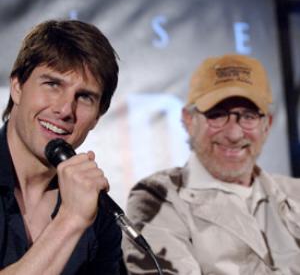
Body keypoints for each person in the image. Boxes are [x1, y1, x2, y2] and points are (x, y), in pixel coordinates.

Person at [122, 54, 300, 274]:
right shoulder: (158, 197)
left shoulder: (295, 193)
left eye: (249, 116)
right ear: (189, 120)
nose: (234, 134)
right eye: (217, 115)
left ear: (267, 124)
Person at [0, 19, 123, 274]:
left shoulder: (98, 212)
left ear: (97, 118)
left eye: (85, 97)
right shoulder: (79, 212)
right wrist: (70, 220)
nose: (65, 109)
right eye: (53, 84)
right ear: (17, 87)